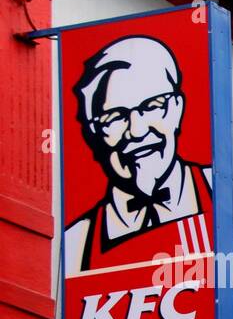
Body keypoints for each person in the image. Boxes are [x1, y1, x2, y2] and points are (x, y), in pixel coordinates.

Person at [64, 36, 214, 276]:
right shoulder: (74, 244)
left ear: (177, 109)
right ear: (94, 133)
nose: (137, 130)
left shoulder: (224, 194)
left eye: (152, 106)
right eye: (114, 117)